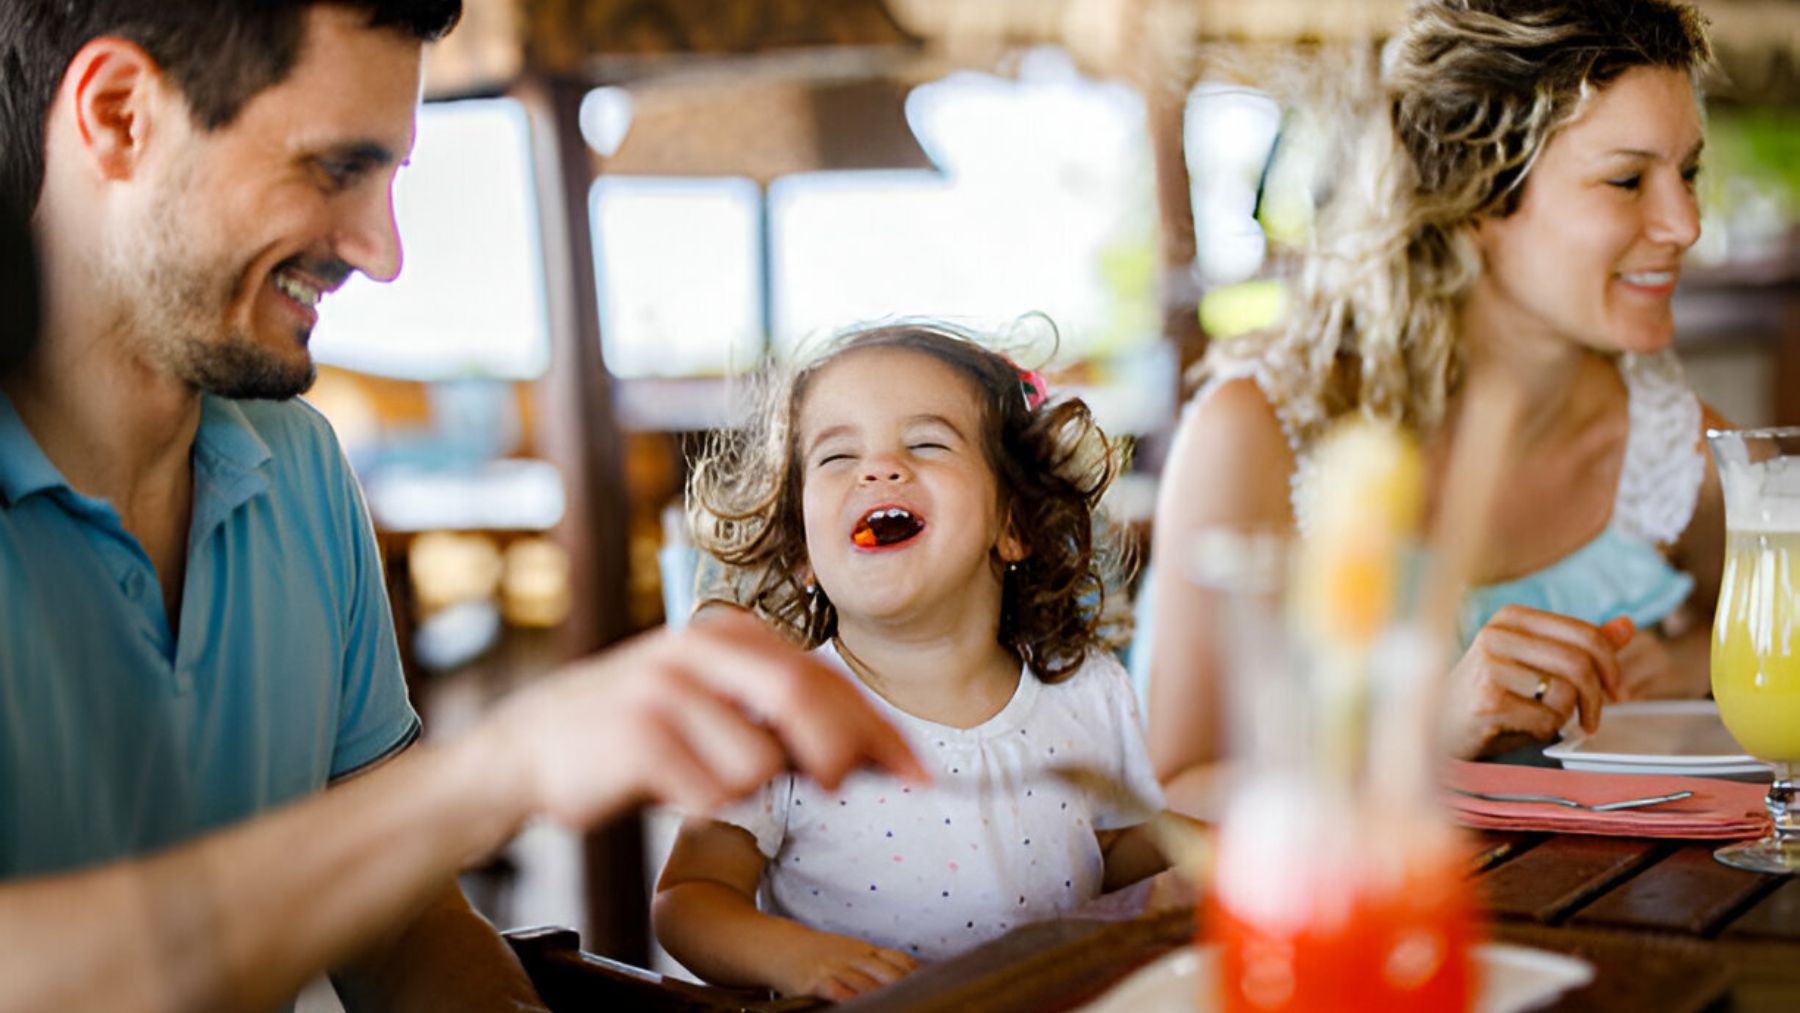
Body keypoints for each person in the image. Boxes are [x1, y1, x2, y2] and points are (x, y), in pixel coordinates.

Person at [0, 3, 924, 1010]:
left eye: (388, 180)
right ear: (122, 114)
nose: (380, 249)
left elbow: (401, 919)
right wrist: (499, 768)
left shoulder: (297, 467)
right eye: (331, 168)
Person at [1145, 0, 1726, 811]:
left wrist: (1700, 658)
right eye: (1627, 179)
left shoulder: (1679, 453)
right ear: (1477, 191)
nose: (1685, 223)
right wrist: (1425, 733)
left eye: (1687, 173)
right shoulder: (1260, 437)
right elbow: (1172, 795)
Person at [653, 322, 1173, 1001]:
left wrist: (1226, 849)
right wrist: (797, 957)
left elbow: (1110, 844)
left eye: (926, 442)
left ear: (1012, 523)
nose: (877, 468)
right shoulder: (785, 714)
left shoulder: (1088, 690)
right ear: (805, 551)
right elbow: (688, 897)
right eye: (837, 457)